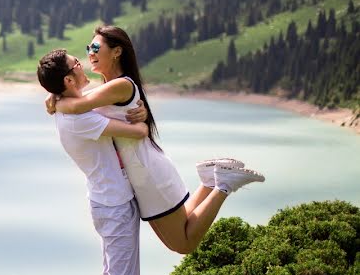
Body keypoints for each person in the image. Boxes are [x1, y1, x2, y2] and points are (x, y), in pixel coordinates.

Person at [45, 25, 266, 255]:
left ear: (117, 51)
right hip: (144, 173)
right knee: (183, 224)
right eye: (89, 47)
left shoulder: (120, 85)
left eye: (96, 47)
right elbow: (83, 102)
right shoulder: (110, 87)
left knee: (184, 244)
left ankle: (223, 185)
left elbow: (78, 105)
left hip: (148, 174)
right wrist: (56, 94)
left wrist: (56, 100)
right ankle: (209, 180)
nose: (90, 52)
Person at [36, 48, 147, 275]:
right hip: (113, 205)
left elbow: (83, 101)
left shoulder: (70, 107)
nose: (82, 64)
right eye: (75, 64)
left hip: (104, 201)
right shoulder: (80, 117)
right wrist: (140, 117)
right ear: (68, 79)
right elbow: (138, 133)